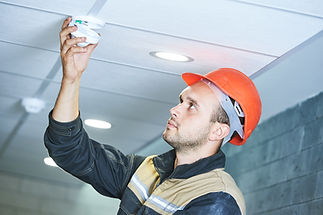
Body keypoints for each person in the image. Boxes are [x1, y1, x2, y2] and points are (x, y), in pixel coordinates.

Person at [44, 17, 262, 215]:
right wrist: (71, 78)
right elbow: (69, 149)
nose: (175, 110)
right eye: (181, 101)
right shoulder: (149, 171)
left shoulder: (217, 200)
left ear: (218, 130)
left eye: (192, 106)